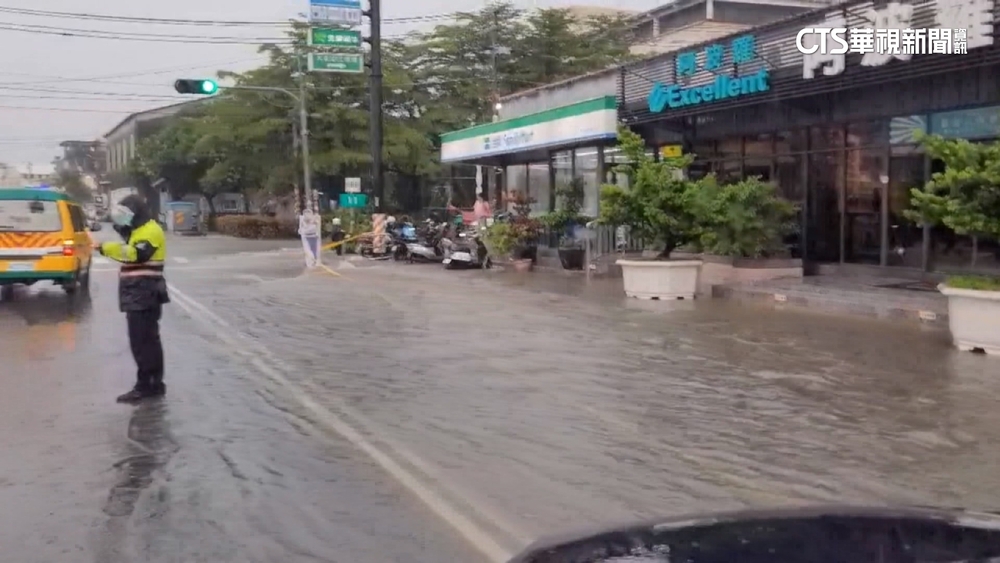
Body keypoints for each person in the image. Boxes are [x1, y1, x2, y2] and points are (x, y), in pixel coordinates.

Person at [95, 195, 169, 403]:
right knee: (146, 341)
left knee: (143, 342)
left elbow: (135, 254)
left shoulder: (151, 231)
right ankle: (153, 384)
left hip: (144, 292)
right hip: (139, 293)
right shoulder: (139, 230)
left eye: (125, 214)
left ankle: (146, 386)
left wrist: (104, 247)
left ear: (137, 212)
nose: (122, 218)